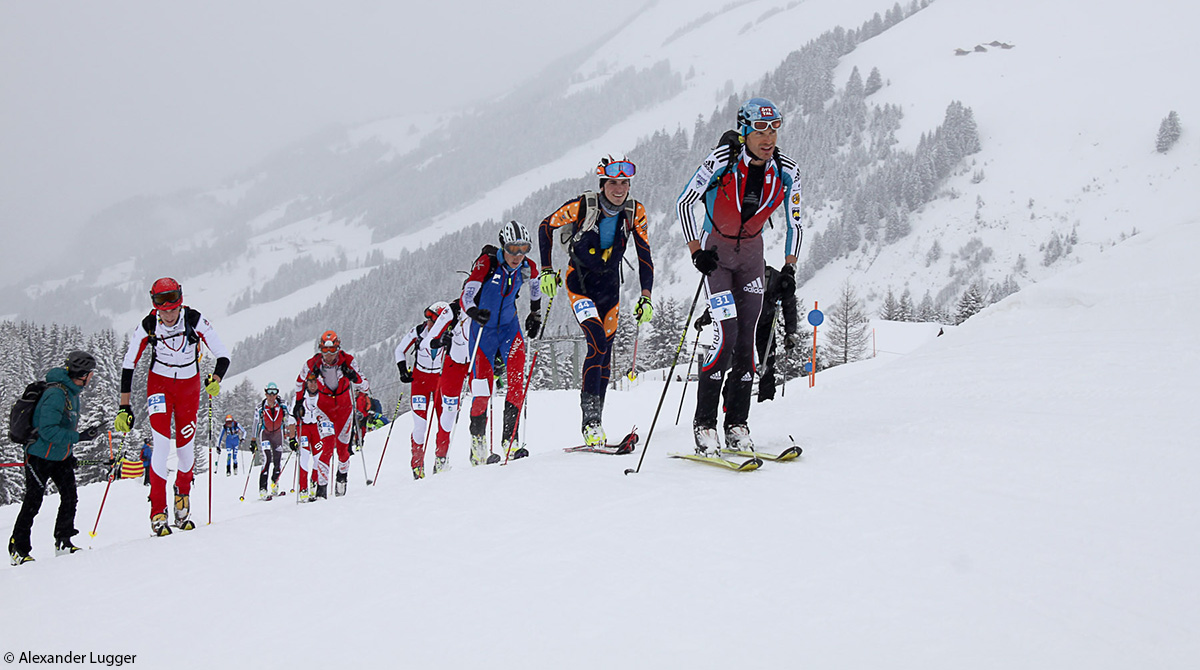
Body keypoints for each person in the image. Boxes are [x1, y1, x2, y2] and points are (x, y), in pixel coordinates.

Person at [676, 98, 803, 454]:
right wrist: (696, 252)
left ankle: (737, 424)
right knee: (726, 335)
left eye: (775, 128)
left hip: (751, 256)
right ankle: (705, 425)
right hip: (717, 255)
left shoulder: (787, 170)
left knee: (748, 342)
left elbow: (796, 221)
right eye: (761, 129)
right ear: (745, 129)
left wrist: (790, 265)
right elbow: (685, 202)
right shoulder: (720, 162)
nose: (769, 137)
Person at [537, 155, 655, 447]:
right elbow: (545, 226)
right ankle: (589, 423)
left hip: (610, 288)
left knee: (605, 353)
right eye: (613, 182)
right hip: (580, 283)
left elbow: (644, 255)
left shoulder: (634, 211)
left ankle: (597, 423)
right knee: (597, 342)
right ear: (603, 184)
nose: (619, 188)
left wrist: (646, 296)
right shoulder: (583, 206)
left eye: (625, 182)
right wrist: (546, 269)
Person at [115, 277, 230, 536]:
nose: (168, 314)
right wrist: (124, 406)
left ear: (181, 302)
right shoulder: (148, 324)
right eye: (162, 309)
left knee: (185, 449)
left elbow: (223, 354)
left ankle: (182, 499)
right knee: (162, 444)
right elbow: (128, 363)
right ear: (155, 306)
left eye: (172, 308)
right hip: (159, 385)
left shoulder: (194, 319)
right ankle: (158, 510)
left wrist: (216, 378)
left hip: (189, 388)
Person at [9, 351, 103, 564]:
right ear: (82, 374)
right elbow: (48, 431)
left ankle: (63, 541)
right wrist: (79, 437)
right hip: (39, 456)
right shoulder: (57, 394)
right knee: (33, 501)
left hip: (60, 456)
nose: (91, 377)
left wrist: (70, 451)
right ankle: (17, 547)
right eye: (90, 373)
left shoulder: (72, 393)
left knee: (70, 497)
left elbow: (64, 427)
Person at [460, 221, 542, 463]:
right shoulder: (487, 263)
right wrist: (474, 311)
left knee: (517, 378)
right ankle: (478, 442)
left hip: (509, 327)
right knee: (483, 390)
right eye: (512, 249)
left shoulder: (527, 266)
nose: (518, 255)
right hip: (483, 332)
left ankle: (510, 440)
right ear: (502, 246)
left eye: (523, 248)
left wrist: (534, 312)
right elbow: (467, 294)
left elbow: (536, 285)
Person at [293, 330, 369, 497]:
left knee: (343, 451)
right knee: (326, 447)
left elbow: (365, 386)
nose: (328, 356)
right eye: (325, 351)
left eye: (332, 351)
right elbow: (299, 382)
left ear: (338, 348)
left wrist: (354, 377)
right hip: (324, 410)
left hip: (344, 410)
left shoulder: (348, 361)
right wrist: (299, 402)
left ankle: (342, 478)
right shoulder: (313, 363)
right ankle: (321, 489)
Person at [395, 301, 457, 478]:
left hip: (439, 380)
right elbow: (399, 350)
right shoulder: (417, 332)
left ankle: (441, 459)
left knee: (444, 422)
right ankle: (417, 465)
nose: (429, 323)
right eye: (428, 318)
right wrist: (402, 370)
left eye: (433, 320)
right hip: (420, 381)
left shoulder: (448, 334)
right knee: (420, 425)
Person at [755, 263, 800, 401]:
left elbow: (789, 305)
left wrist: (790, 332)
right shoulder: (743, 273)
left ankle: (766, 401)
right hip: (749, 325)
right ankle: (733, 407)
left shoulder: (777, 278)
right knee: (742, 366)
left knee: (766, 365)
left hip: (764, 325)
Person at [293, 373, 330, 501]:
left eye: (315, 382)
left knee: (318, 458)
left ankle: (314, 483)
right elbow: (292, 418)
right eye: (310, 382)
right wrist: (292, 438)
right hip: (303, 428)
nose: (313, 384)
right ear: (306, 383)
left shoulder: (323, 395)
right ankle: (303, 488)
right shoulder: (300, 397)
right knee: (304, 457)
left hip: (316, 429)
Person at [252, 382, 292, 498]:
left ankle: (275, 484)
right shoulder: (260, 407)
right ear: (265, 393)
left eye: (274, 393)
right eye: (269, 393)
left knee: (278, 460)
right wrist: (253, 440)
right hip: (265, 434)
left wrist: (290, 432)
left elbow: (290, 416)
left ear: (277, 394)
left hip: (278, 434)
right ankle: (263, 489)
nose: (271, 396)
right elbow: (255, 423)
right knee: (267, 459)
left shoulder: (282, 405)